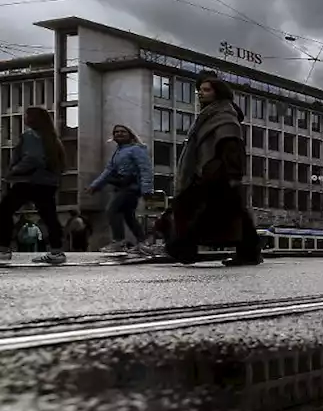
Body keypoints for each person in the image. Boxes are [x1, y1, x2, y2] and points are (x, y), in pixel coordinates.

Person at [166, 71, 261, 266]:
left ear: (218, 93)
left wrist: (233, 172)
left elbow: (231, 143)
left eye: (206, 90)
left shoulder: (224, 114)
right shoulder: (209, 114)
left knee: (190, 207)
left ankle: (182, 249)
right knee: (233, 212)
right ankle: (249, 253)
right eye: (199, 90)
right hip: (210, 170)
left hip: (217, 171)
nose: (201, 93)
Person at [0, 107, 67, 265]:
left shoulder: (30, 136)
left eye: (27, 116)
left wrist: (13, 172)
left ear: (35, 119)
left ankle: (3, 250)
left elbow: (33, 158)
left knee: (3, 211)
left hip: (28, 181)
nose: (25, 118)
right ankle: (57, 252)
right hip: (47, 182)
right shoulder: (51, 138)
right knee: (49, 216)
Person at [87, 124, 155, 253]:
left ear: (130, 135)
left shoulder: (136, 149)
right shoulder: (117, 152)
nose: (119, 134)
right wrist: (95, 185)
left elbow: (145, 169)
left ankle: (119, 241)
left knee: (112, 210)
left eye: (122, 132)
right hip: (121, 187)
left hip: (132, 187)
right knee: (129, 215)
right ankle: (142, 243)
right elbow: (108, 172)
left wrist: (147, 190)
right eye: (116, 132)